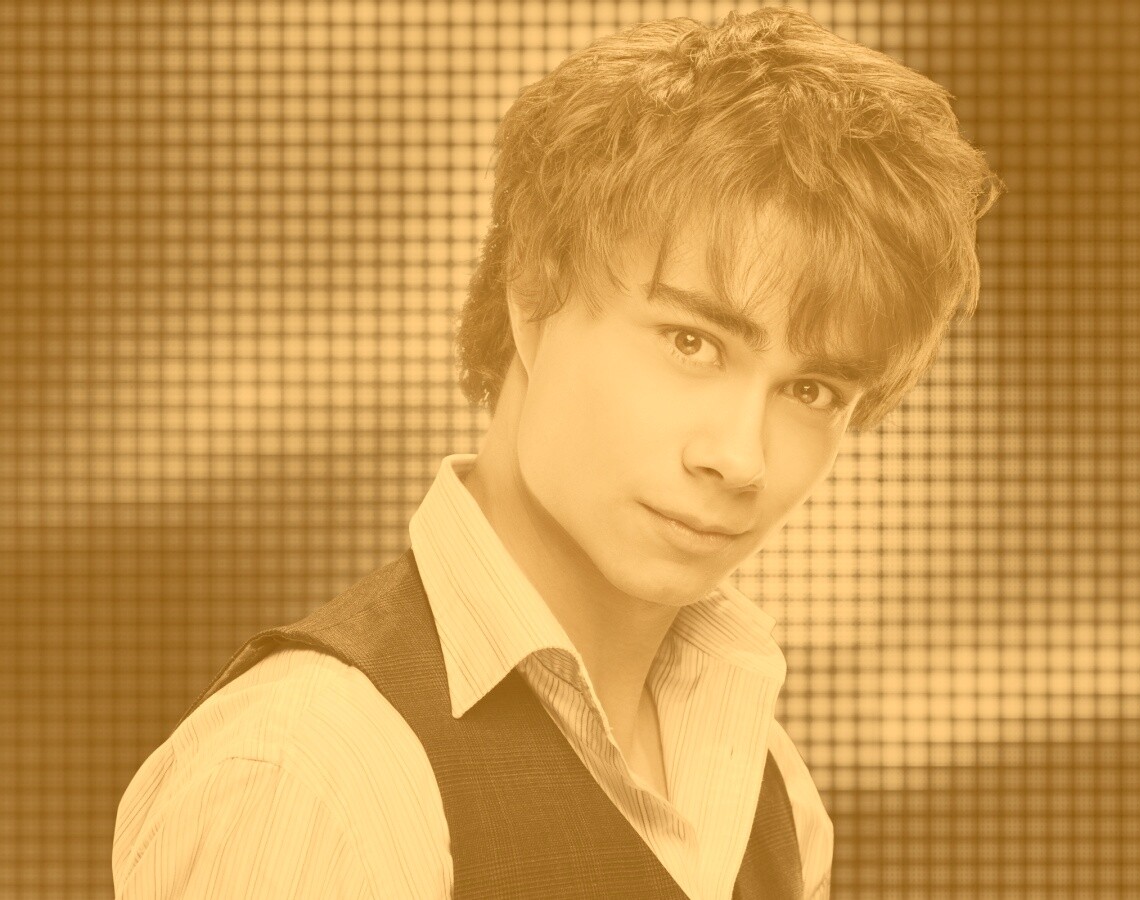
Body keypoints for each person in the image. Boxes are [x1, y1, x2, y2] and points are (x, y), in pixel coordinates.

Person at [112, 7, 1001, 898]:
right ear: (533, 299)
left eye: (812, 391)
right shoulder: (312, 772)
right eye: (691, 342)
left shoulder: (773, 792)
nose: (740, 458)